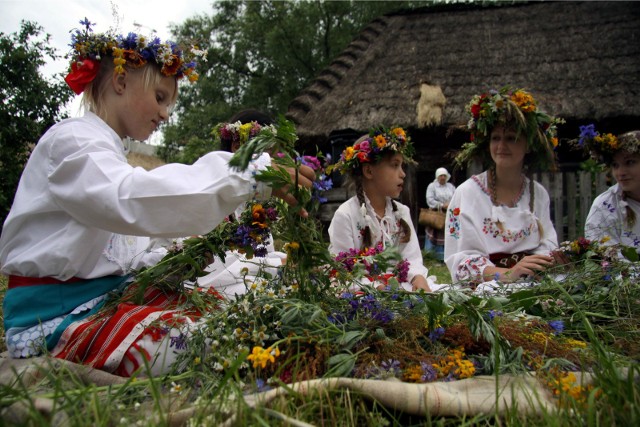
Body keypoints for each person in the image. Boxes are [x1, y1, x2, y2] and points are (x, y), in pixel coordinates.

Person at [0, 21, 314, 376]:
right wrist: (248, 173)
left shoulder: (105, 152)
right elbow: (130, 197)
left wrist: (174, 256)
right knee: (215, 341)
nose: (165, 113)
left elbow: (125, 239)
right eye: (160, 98)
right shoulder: (72, 142)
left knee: (240, 314)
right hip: (52, 319)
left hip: (100, 300)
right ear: (120, 82)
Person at [444, 87, 563, 286]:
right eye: (496, 138)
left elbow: (547, 244)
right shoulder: (467, 193)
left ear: (528, 144)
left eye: (511, 138)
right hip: (487, 288)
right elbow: (460, 259)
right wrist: (508, 274)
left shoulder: (538, 194)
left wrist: (541, 263)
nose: (501, 146)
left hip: (532, 282)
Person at [328, 127, 434, 292]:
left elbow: (412, 258)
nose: (403, 174)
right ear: (369, 171)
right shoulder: (346, 215)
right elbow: (343, 272)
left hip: (400, 289)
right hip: (364, 294)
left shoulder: (402, 212)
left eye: (402, 166)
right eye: (394, 165)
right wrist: (378, 289)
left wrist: (418, 279)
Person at [197, 110, 288, 296]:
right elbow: (218, 266)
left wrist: (285, 260)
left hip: (248, 280)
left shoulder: (256, 201)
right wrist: (277, 263)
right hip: (216, 284)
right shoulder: (213, 191)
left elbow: (263, 253)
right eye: (261, 151)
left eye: (267, 152)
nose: (267, 159)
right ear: (236, 146)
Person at [580, 127, 640, 256]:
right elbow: (606, 261)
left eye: (629, 162)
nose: (620, 173)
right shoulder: (605, 205)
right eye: (615, 165)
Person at [424, 167, 456, 260]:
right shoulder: (432, 186)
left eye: (444, 176)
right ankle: (431, 256)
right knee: (434, 234)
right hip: (436, 214)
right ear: (437, 176)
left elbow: (456, 196)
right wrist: (442, 205)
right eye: (441, 175)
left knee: (447, 234)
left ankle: (444, 257)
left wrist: (450, 204)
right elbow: (429, 199)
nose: (442, 177)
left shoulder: (450, 186)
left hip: (449, 214)